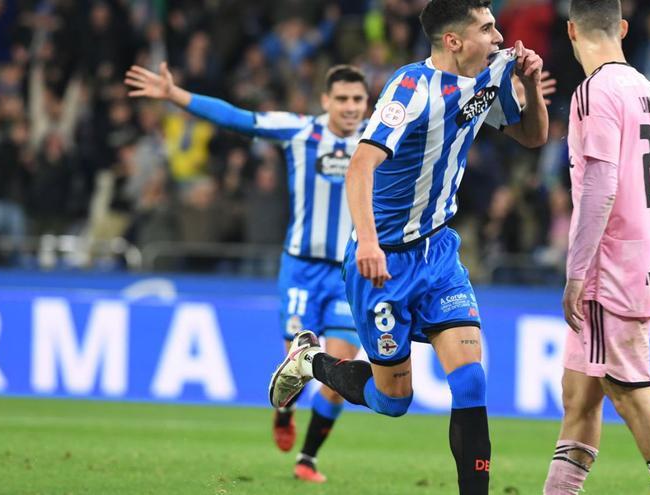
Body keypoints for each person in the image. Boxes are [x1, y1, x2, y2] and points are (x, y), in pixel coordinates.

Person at [268, 0, 548, 493]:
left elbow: (532, 136)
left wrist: (531, 90)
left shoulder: (495, 71)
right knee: (393, 400)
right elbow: (360, 167)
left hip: (438, 253)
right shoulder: (410, 89)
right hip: (384, 263)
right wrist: (368, 244)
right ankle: (311, 362)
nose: (500, 37)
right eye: (488, 29)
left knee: (470, 381)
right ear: (453, 41)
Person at [124, 63, 369, 483]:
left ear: (367, 103)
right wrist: (175, 94)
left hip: (350, 271)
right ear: (325, 100)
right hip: (303, 270)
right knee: (300, 362)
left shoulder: (379, 136)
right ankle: (285, 409)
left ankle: (307, 458)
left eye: (357, 99)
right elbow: (238, 118)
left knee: (342, 372)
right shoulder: (298, 131)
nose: (350, 107)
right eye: (342, 99)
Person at [543, 1, 650, 494]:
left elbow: (600, 185)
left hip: (606, 269)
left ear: (570, 30)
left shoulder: (594, 92)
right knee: (578, 395)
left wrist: (576, 272)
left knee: (631, 393)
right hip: (638, 262)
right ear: (623, 28)